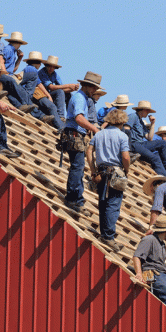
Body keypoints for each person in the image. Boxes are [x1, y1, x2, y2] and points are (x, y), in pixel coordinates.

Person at [87, 109, 131, 251]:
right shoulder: (122, 136)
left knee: (103, 203)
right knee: (113, 205)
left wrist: (93, 170)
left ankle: (104, 234)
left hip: (101, 171)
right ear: (122, 121)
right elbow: (125, 157)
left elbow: (89, 150)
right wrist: (127, 171)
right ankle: (108, 237)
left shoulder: (99, 134)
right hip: (115, 172)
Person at [62, 72, 102, 216]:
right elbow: (79, 118)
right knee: (77, 168)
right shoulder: (80, 98)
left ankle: (76, 198)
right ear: (87, 86)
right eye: (93, 88)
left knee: (77, 167)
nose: (94, 91)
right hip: (74, 135)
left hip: (75, 135)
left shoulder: (82, 98)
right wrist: (94, 129)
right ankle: (73, 199)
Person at [126, 101, 166, 185]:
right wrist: (128, 149)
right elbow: (126, 129)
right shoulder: (133, 116)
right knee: (154, 158)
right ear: (142, 109)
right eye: (147, 110)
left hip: (141, 144)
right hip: (134, 144)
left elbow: (150, 138)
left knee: (162, 144)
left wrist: (152, 124)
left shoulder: (141, 121)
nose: (148, 113)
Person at [18, 52, 62, 129]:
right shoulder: (33, 70)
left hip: (31, 94)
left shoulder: (28, 68)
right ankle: (61, 126)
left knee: (59, 94)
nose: (40, 65)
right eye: (40, 63)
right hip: (31, 94)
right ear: (37, 63)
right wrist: (48, 96)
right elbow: (39, 84)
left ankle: (59, 119)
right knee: (52, 106)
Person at [38, 55, 80, 121]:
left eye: (53, 67)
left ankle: (71, 117)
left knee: (68, 95)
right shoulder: (42, 72)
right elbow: (51, 87)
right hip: (42, 96)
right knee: (59, 92)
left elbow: (62, 89)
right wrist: (69, 85)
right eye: (49, 66)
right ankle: (60, 116)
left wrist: (72, 89)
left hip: (50, 95)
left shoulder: (54, 74)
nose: (51, 68)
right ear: (46, 65)